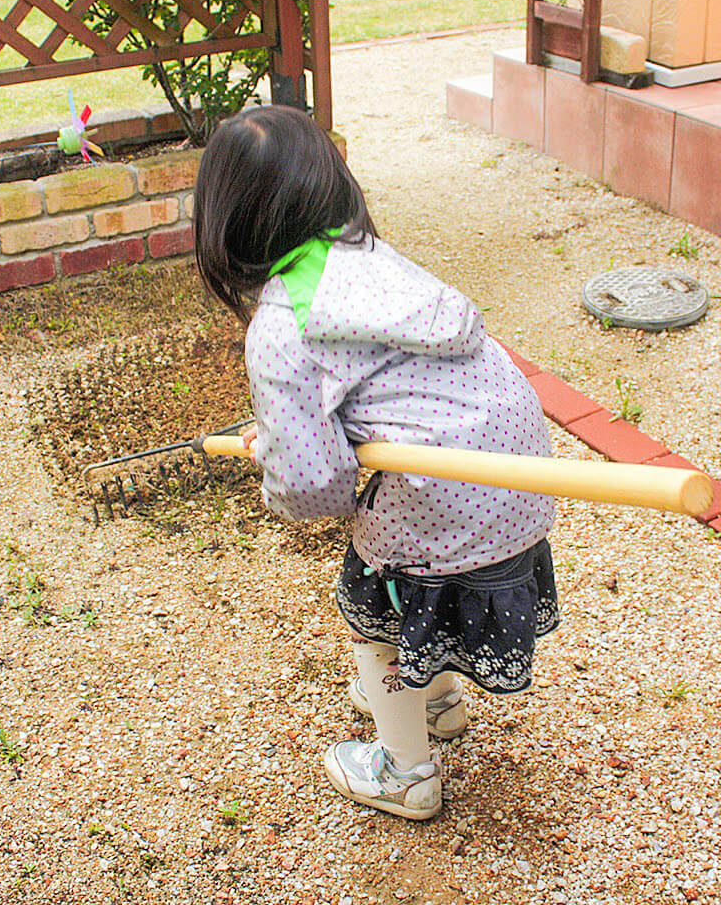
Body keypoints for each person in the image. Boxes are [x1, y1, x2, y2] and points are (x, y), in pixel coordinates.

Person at [193, 105, 559, 820]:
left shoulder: (281, 326)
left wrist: (275, 461)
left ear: (224, 221)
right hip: (518, 475)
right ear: (334, 186)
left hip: (442, 497)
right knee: (438, 592)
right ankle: (439, 696)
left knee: (382, 619)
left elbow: (314, 483)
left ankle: (405, 771)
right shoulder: (368, 257)